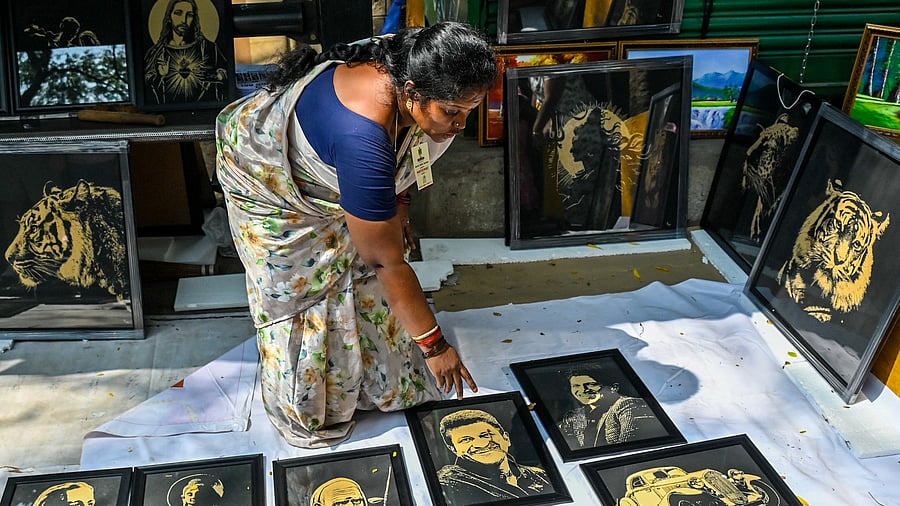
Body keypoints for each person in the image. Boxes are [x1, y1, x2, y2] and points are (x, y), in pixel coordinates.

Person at [215, 22, 498, 448]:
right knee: (305, 292)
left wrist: (396, 204)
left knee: (368, 270)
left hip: (338, 163)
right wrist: (436, 348)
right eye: (451, 112)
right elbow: (386, 262)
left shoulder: (411, 60)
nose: (460, 125)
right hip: (268, 184)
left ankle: (375, 382)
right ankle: (312, 405)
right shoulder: (361, 138)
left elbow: (401, 160)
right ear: (411, 91)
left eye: (469, 111)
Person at [436, 409, 550, 504]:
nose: (482, 444)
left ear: (506, 438)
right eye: (466, 440)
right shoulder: (447, 484)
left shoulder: (538, 474)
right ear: (453, 449)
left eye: (486, 435)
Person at [144, 0, 228, 104]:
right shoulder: (157, 52)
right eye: (178, 13)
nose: (183, 20)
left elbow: (227, 73)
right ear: (169, 17)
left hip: (205, 108)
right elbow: (145, 87)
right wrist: (159, 76)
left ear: (194, 19)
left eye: (189, 15)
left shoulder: (207, 48)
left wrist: (214, 76)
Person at [558, 372, 659, 447]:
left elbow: (629, 448)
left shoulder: (628, 404)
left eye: (591, 384)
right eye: (576, 386)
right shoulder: (574, 416)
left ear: (614, 388)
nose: (582, 390)